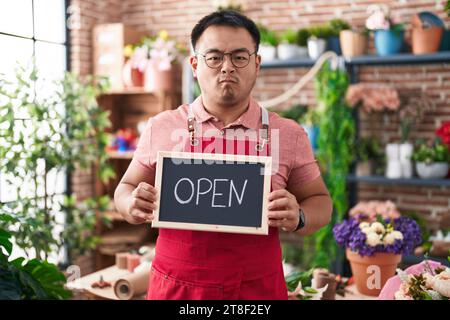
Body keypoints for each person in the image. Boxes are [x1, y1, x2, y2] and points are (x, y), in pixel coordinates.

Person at [114, 10, 333, 300]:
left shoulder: (289, 133)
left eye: (239, 57)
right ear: (194, 64)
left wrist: (300, 217)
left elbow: (321, 202)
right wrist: (131, 203)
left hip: (256, 290)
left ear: (256, 64)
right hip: (176, 287)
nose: (227, 67)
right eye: (214, 57)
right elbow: (124, 189)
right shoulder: (162, 126)